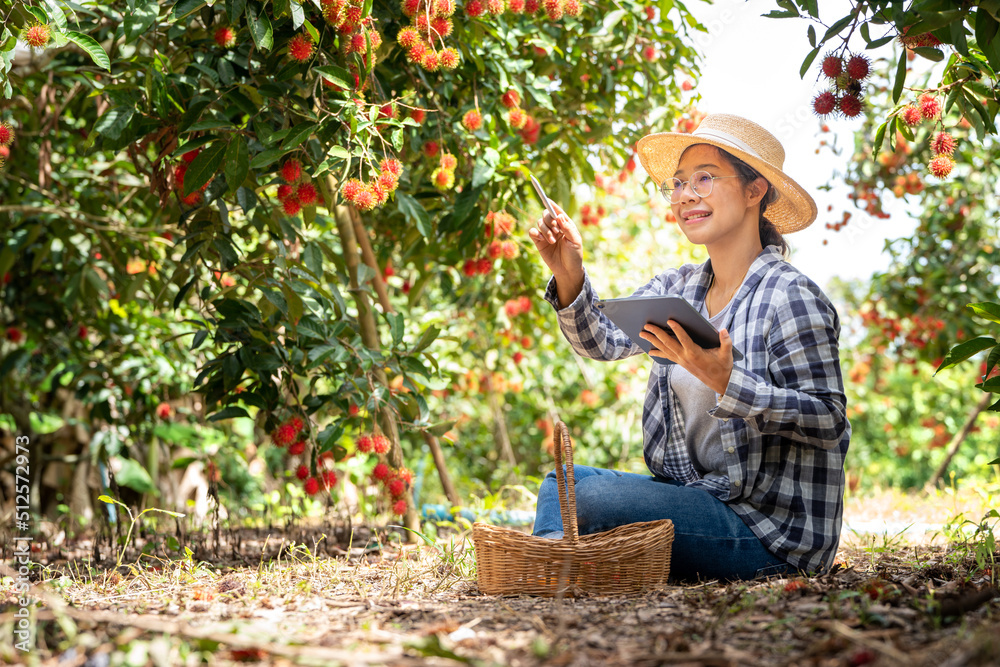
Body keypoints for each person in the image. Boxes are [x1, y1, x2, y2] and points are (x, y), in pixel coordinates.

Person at [527, 113, 851, 582]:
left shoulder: (790, 296)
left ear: (754, 189)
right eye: (677, 183)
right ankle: (553, 569)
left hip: (768, 533)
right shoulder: (679, 291)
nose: (684, 195)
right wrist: (568, 271)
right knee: (564, 484)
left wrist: (727, 381)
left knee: (588, 500)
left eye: (704, 178)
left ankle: (551, 571)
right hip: (703, 497)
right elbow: (599, 341)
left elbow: (828, 418)